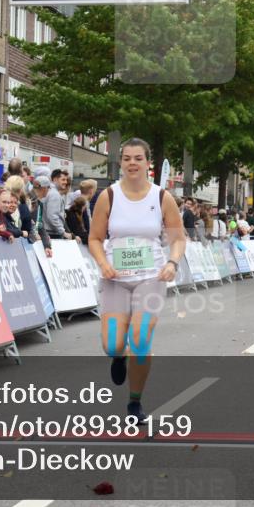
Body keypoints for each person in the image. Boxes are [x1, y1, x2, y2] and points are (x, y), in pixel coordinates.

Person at [89, 138, 186, 423]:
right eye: (127, 158)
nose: (132, 163)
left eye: (138, 158)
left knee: (141, 340)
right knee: (112, 345)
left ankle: (134, 402)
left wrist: (172, 261)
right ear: (121, 162)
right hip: (116, 278)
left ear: (148, 163)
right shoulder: (108, 195)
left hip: (150, 277)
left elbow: (178, 239)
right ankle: (118, 356)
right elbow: (94, 238)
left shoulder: (161, 197)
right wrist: (104, 263)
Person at [33, 175, 70, 240]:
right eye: (35, 187)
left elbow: (51, 216)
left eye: (38, 188)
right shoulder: (49, 195)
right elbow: (51, 216)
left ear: (44, 188)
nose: (36, 190)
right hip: (48, 233)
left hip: (51, 233)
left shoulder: (52, 195)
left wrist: (63, 232)